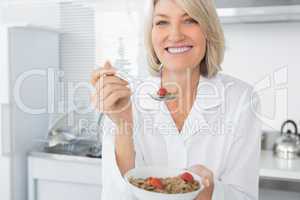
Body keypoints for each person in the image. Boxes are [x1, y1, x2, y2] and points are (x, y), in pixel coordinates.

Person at [90, 0, 261, 199]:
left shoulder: (241, 99)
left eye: (190, 20)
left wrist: (210, 192)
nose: (175, 35)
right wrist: (123, 125)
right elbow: (115, 196)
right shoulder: (125, 100)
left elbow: (245, 196)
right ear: (151, 33)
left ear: (208, 29)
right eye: (162, 22)